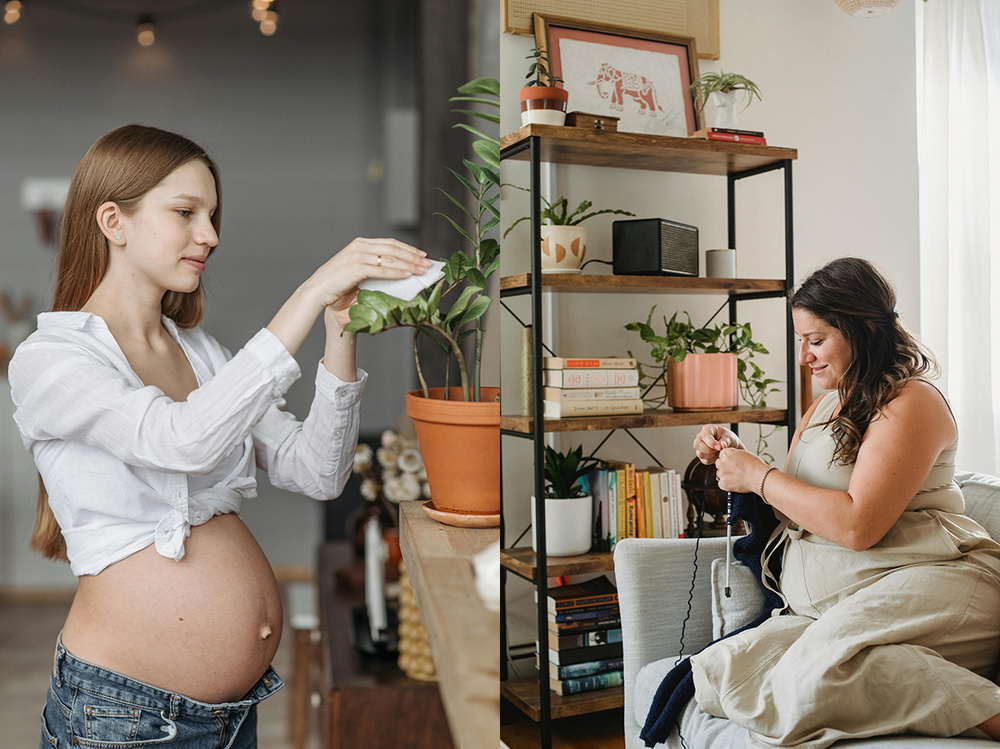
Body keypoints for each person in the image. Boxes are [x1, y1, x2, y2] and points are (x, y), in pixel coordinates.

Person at [7, 124, 429, 748]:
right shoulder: (51, 359)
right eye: (185, 212)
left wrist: (341, 327)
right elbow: (183, 440)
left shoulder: (201, 353)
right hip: (125, 716)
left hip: (229, 717)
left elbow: (316, 471)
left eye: (212, 214)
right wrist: (309, 293)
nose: (210, 234)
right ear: (113, 222)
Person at [689, 257, 1000, 747]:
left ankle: (989, 715)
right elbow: (792, 507)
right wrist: (739, 463)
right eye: (801, 342)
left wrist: (761, 476)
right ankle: (888, 669)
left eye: (817, 341)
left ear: (867, 329)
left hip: (933, 582)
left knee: (807, 679)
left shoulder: (910, 401)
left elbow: (859, 527)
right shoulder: (826, 405)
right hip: (847, 602)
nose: (804, 357)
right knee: (720, 672)